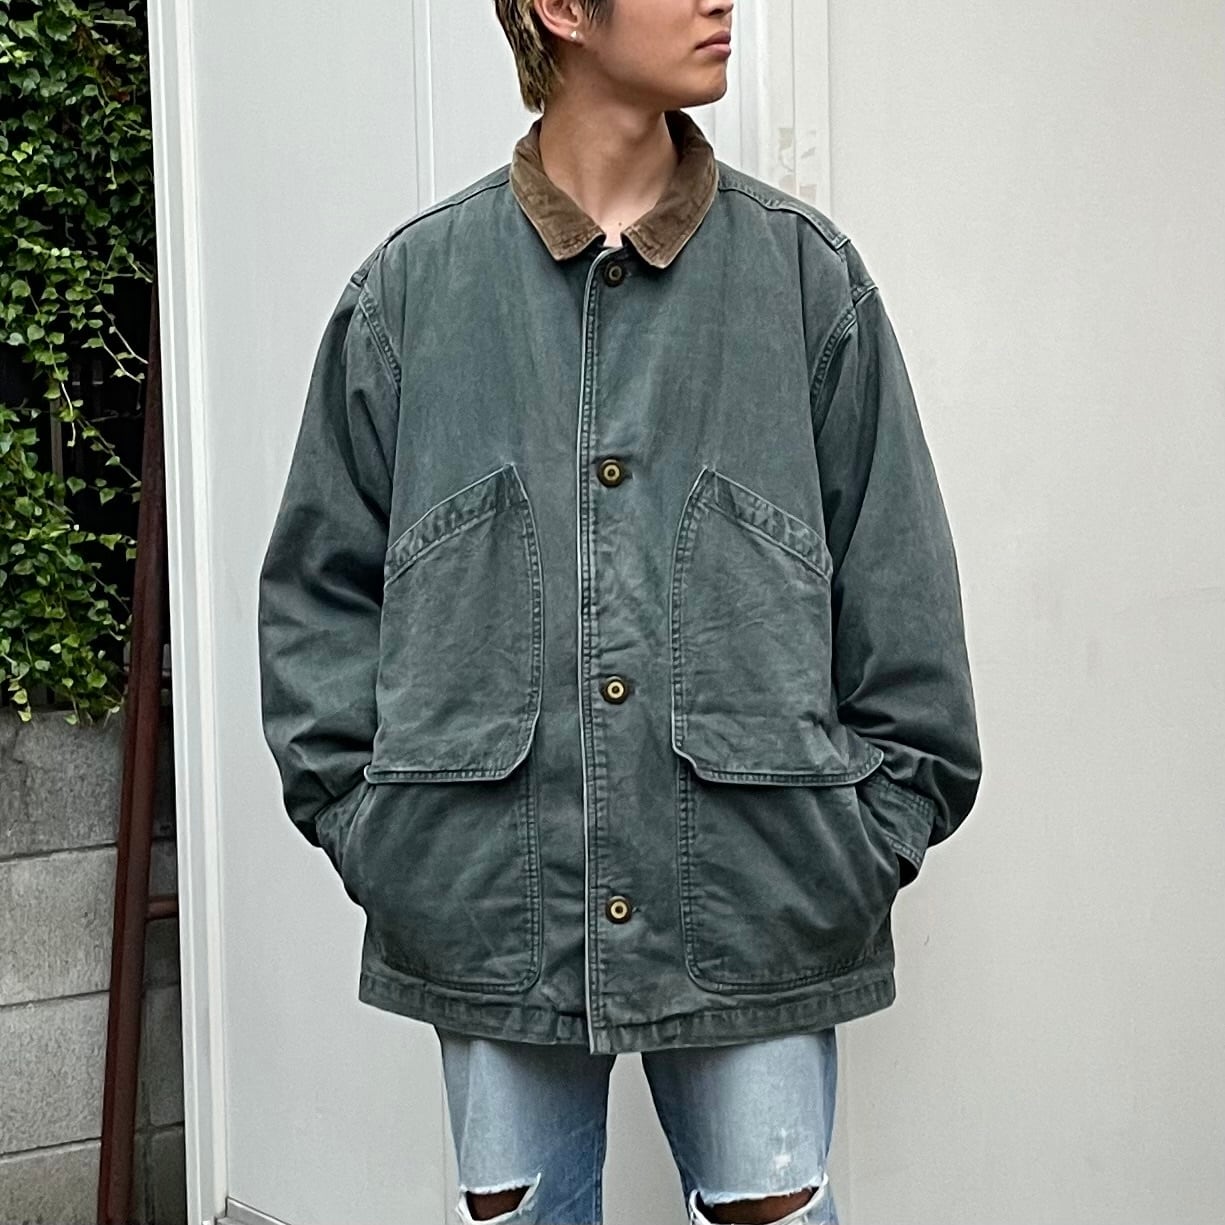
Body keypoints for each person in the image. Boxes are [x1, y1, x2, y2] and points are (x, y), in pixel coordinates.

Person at [256, 0, 982, 1221]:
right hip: (492, 909)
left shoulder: (805, 282)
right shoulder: (412, 296)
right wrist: (382, 839)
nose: (719, 2)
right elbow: (316, 600)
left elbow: (902, 605)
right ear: (559, 10)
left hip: (762, 902)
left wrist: (860, 846)